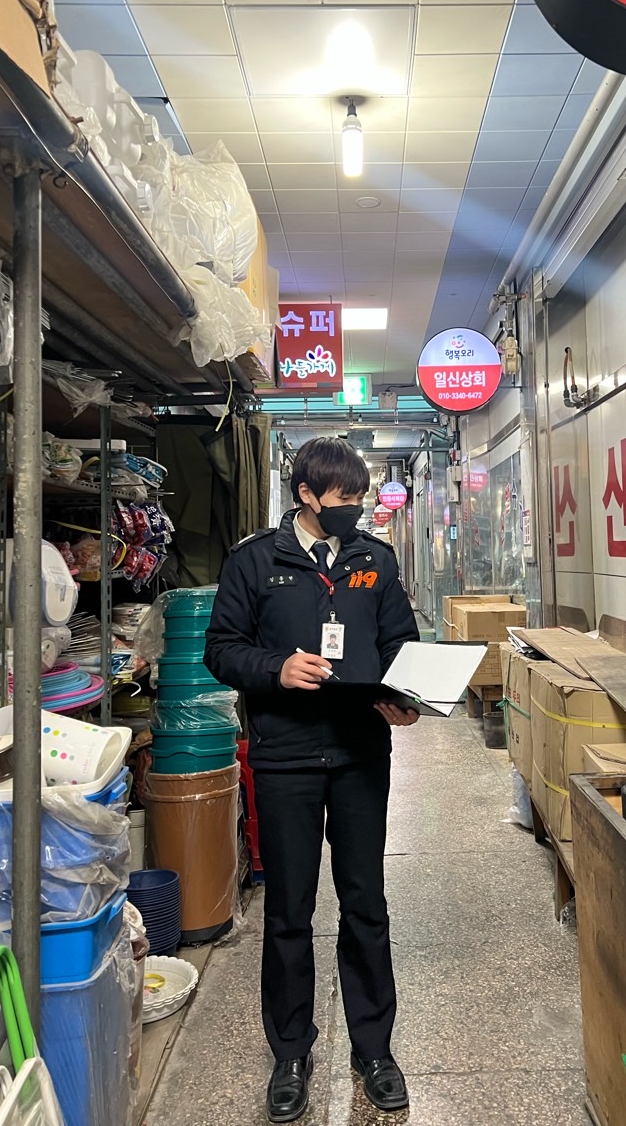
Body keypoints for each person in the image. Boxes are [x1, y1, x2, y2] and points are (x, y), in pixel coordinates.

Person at [205, 436, 420, 1123]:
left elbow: (400, 644)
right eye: (342, 498)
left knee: (366, 905)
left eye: (360, 497)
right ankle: (291, 1052)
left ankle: (375, 1050)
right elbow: (221, 649)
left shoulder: (374, 561)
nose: (354, 508)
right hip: (285, 757)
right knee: (289, 912)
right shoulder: (254, 561)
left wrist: (407, 695)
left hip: (360, 756)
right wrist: (276, 668)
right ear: (305, 494)